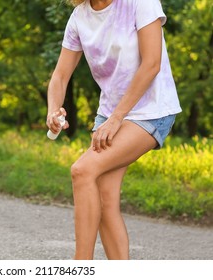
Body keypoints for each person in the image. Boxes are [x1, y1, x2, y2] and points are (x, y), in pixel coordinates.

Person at [46, 0, 182, 260]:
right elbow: (60, 76)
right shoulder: (79, 18)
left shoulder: (140, 3)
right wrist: (53, 110)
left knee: (82, 170)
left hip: (151, 111)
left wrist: (117, 118)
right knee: (105, 200)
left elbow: (152, 63)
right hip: (110, 116)